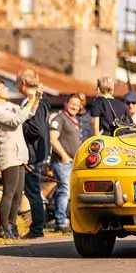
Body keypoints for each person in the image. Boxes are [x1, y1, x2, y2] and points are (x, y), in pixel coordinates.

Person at [0, 77, 41, 239]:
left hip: (20, 153)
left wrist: (36, 98)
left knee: (18, 193)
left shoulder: (9, 105)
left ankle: (12, 225)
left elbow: (27, 114)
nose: (7, 89)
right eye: (3, 87)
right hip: (8, 154)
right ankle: (3, 228)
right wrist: (30, 100)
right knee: (9, 192)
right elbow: (16, 120)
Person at [17, 68, 51, 239]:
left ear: (23, 83)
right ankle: (36, 227)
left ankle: (37, 228)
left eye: (17, 82)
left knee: (33, 193)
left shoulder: (38, 103)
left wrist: (18, 125)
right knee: (32, 192)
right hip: (33, 153)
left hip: (32, 154)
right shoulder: (35, 101)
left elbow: (36, 130)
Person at [50, 94, 82, 233]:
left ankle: (69, 220)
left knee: (70, 192)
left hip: (74, 162)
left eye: (77, 104)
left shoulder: (75, 120)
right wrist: (64, 156)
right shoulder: (59, 118)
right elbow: (53, 139)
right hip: (62, 162)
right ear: (66, 103)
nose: (75, 106)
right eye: (72, 103)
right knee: (64, 190)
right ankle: (61, 222)